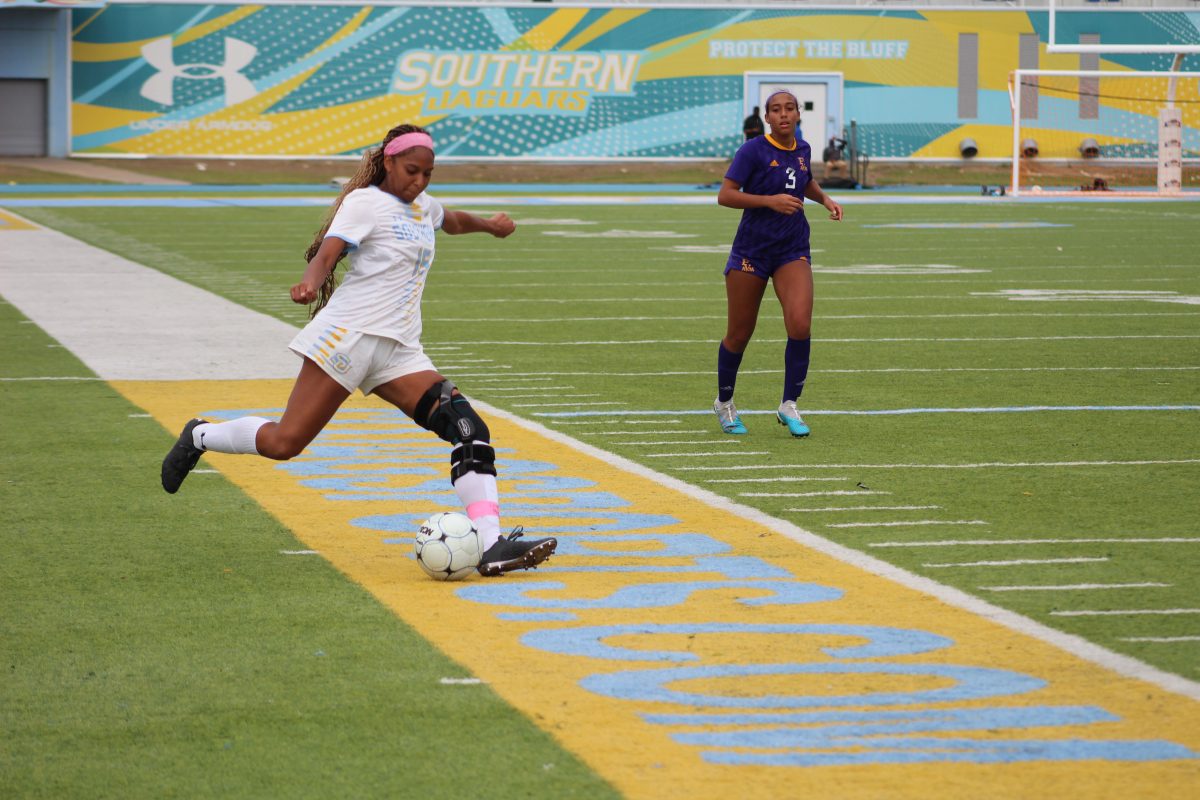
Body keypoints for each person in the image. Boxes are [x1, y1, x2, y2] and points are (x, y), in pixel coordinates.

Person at [160, 124, 557, 577]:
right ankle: (200, 435)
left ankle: (491, 545)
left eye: (428, 174)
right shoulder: (364, 203)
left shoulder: (423, 207)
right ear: (388, 162)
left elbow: (453, 220)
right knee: (285, 443)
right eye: (412, 171)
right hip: (347, 339)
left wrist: (491, 226)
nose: (420, 182)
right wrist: (310, 282)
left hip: (399, 351)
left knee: (467, 427)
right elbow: (330, 251)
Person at [713, 90, 843, 438]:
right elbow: (725, 194)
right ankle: (724, 403)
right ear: (767, 118)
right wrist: (768, 202)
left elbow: (805, 180)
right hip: (751, 251)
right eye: (775, 110)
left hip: (792, 248)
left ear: (798, 114)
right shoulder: (752, 150)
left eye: (789, 108)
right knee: (740, 333)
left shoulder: (803, 149)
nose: (783, 114)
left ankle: (789, 405)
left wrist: (824, 198)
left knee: (800, 324)